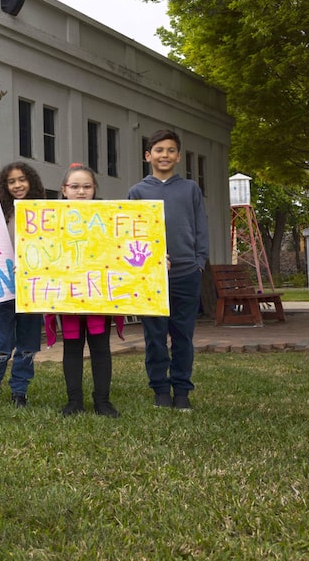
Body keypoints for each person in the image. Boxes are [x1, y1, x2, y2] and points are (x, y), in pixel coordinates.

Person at [128, 129, 209, 411]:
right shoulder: (137, 192)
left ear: (177, 156)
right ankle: (160, 390)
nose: (165, 155)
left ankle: (182, 392)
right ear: (148, 156)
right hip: (151, 277)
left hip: (186, 273)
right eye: (159, 150)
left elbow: (201, 228)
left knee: (183, 336)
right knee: (155, 337)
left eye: (171, 150)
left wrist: (199, 262)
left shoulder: (190, 189)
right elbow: (131, 235)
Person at [46, 163, 123, 418]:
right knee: (72, 347)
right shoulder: (50, 219)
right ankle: (74, 401)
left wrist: (155, 260)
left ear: (94, 189)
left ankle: (102, 401)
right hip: (67, 296)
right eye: (75, 187)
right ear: (64, 190)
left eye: (87, 187)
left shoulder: (109, 217)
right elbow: (42, 252)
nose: (81, 192)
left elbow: (124, 249)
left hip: (99, 294)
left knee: (101, 347)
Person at [0, 160, 45, 408]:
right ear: (4, 186)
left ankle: (19, 390)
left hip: (33, 287)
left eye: (22, 179)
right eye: (11, 181)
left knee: (28, 343)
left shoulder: (44, 212)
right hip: (3, 286)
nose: (18, 185)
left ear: (31, 181)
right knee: (3, 342)